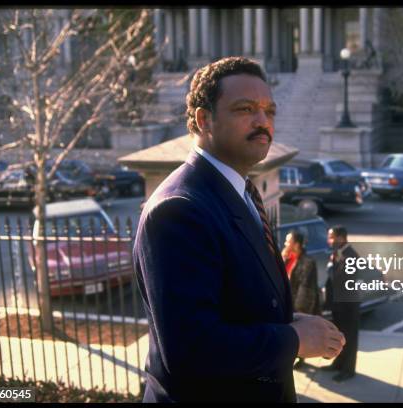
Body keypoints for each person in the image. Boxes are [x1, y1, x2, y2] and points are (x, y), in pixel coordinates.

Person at [133, 56, 345, 403]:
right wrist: (294, 340)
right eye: (245, 109)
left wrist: (289, 320)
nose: (263, 121)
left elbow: (234, 299)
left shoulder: (243, 189)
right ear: (204, 120)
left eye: (270, 111)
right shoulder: (179, 209)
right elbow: (192, 349)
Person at [320, 225, 360, 383]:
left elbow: (344, 281)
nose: (329, 241)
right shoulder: (336, 253)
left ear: (341, 238)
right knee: (339, 336)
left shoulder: (351, 256)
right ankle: (338, 364)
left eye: (331, 237)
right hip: (337, 304)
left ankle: (348, 370)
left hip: (348, 305)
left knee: (349, 338)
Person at [281, 230, 321, 370]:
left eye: (288, 241)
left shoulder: (308, 262)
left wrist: (300, 310)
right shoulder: (286, 257)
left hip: (299, 304)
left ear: (296, 244)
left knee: (299, 332)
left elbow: (307, 288)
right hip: (286, 302)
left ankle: (301, 357)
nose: (285, 243)